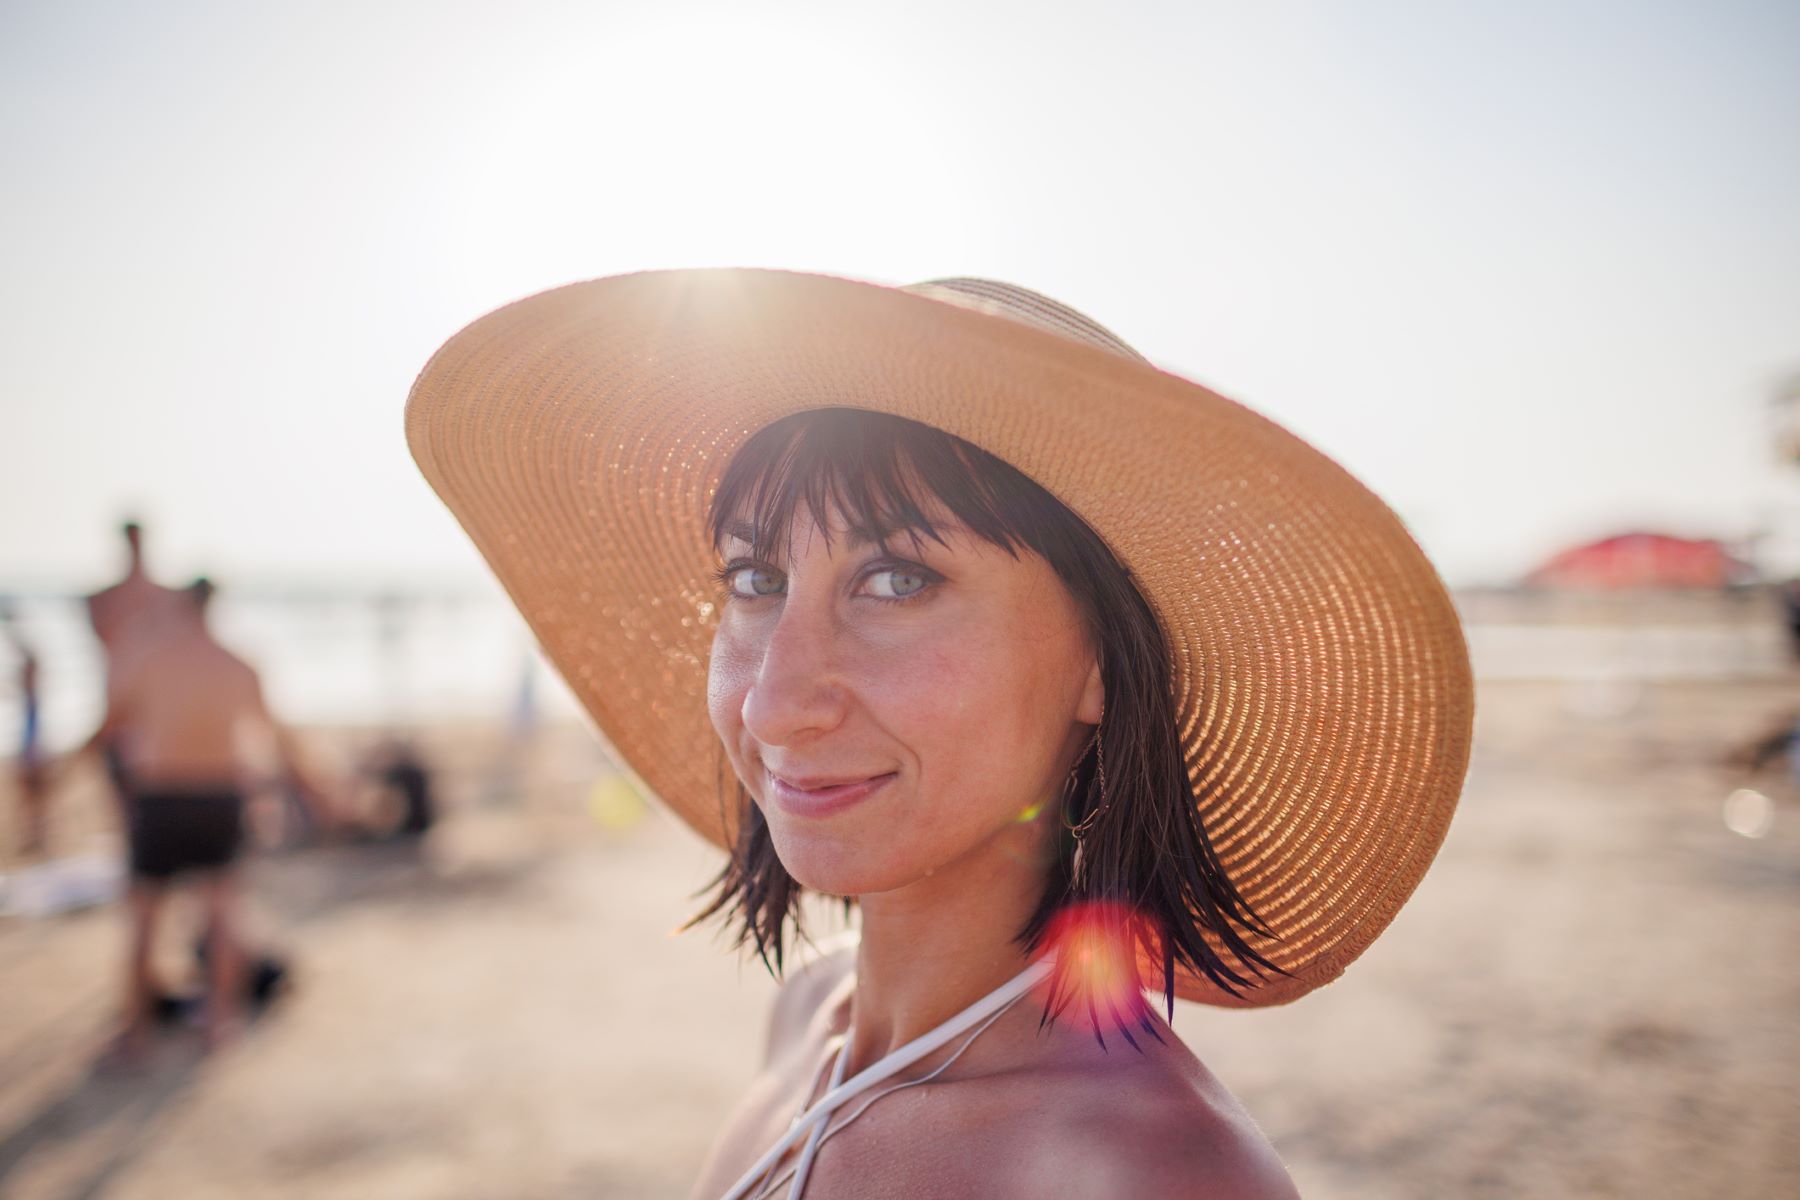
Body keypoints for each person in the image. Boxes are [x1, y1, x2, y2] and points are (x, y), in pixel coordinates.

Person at [406, 270, 1475, 1197]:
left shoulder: (1154, 1176)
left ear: (1100, 659)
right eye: (754, 579)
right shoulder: (808, 1019)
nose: (778, 703)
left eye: (897, 579)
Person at [66, 577, 334, 1056]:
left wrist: (66, 765)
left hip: (162, 796)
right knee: (222, 913)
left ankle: (136, 1031)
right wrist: (319, 791)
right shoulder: (238, 665)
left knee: (145, 918)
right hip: (221, 796)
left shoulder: (149, 660)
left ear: (182, 608)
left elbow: (109, 727)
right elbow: (279, 736)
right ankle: (219, 1023)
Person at [82, 519, 188, 809]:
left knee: (152, 791)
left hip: (150, 710)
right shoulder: (104, 600)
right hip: (123, 707)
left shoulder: (165, 599)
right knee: (127, 794)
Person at [2, 599, 50, 855]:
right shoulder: (32, 664)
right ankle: (34, 834)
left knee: (30, 786)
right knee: (30, 787)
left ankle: (36, 835)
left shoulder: (31, 666)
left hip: (32, 730)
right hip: (31, 728)